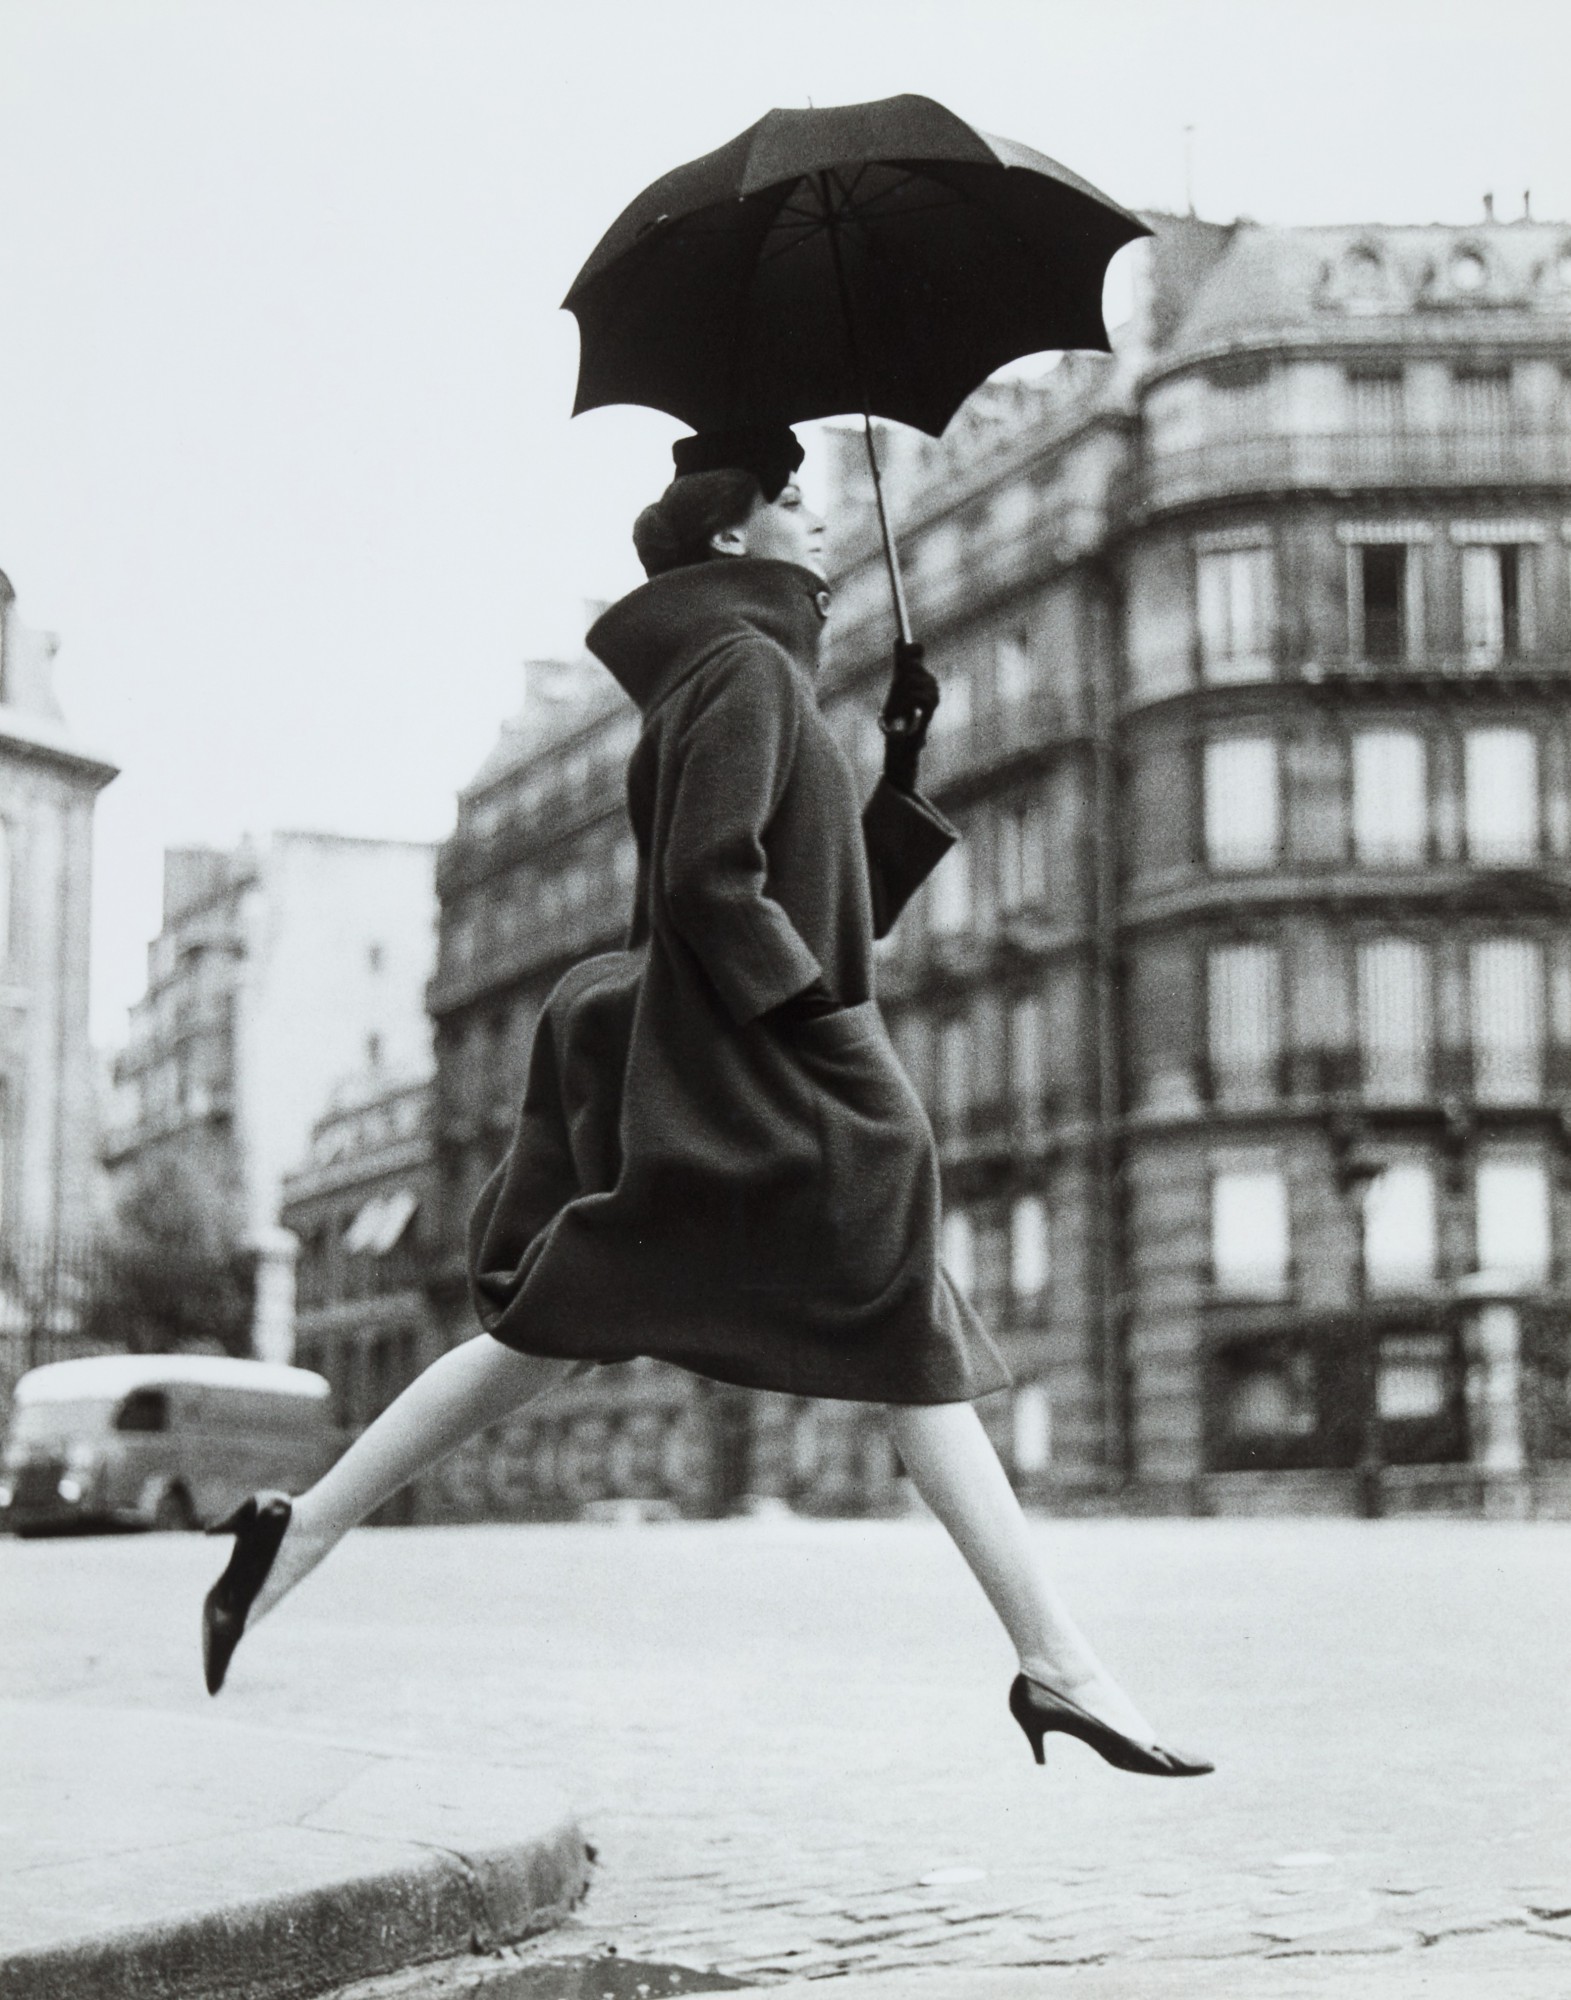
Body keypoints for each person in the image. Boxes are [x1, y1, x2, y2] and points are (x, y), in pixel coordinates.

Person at [203, 424, 1211, 1780]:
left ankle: (300, 1531)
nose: (824, 521)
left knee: (566, 1330)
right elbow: (709, 888)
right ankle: (1058, 1661)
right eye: (796, 503)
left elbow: (810, 895)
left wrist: (901, 768)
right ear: (734, 535)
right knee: (892, 1330)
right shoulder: (744, 666)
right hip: (756, 1074)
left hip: (713, 1074)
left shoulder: (732, 670)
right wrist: (824, 1035)